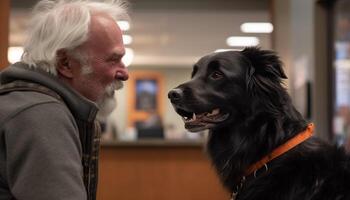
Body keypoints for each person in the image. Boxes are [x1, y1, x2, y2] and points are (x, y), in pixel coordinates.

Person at [0, 0, 129, 199]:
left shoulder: (24, 103)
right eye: (113, 59)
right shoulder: (42, 114)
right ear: (65, 63)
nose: (124, 73)